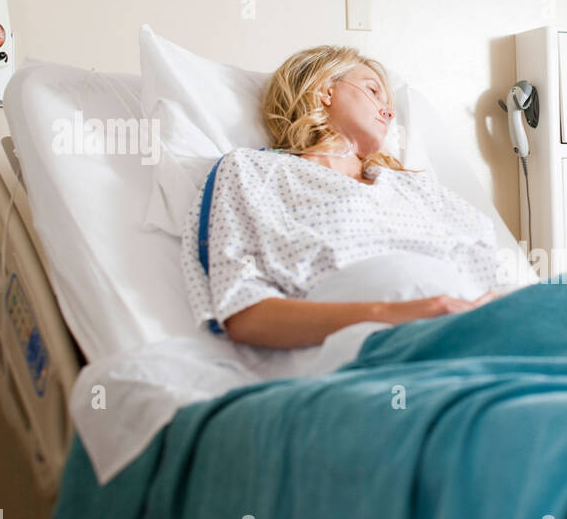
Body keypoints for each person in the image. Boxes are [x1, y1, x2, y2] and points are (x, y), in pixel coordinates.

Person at [180, 45, 513, 349]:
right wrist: (404, 312)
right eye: (373, 91)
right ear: (325, 89)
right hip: (388, 350)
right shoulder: (254, 171)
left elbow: (493, 279)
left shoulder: (417, 189)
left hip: (489, 333)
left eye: (389, 104)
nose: (389, 112)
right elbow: (246, 314)